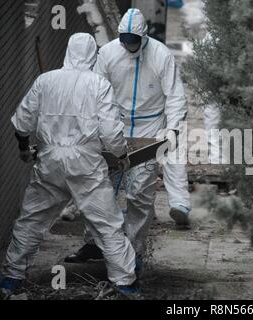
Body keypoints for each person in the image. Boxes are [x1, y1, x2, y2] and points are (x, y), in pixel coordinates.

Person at [0, 33, 138, 297]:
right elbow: (110, 132)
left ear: (68, 52)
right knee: (107, 224)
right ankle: (125, 283)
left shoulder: (45, 80)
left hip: (49, 160)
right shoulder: (99, 84)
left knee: (31, 220)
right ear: (92, 55)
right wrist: (121, 155)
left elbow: (22, 122)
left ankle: (11, 278)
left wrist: (23, 148)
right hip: (86, 164)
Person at [64, 8, 189, 267]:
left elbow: (175, 95)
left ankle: (134, 251)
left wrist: (172, 129)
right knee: (99, 187)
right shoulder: (108, 54)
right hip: (115, 126)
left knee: (140, 193)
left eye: (133, 41)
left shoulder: (160, 55)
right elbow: (94, 90)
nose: (129, 45)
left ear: (143, 38)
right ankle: (94, 244)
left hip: (149, 129)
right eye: (125, 40)